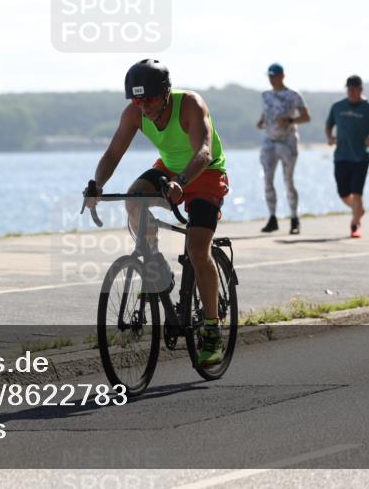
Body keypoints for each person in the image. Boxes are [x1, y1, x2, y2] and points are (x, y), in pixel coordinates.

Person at [86, 59, 230, 366]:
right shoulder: (135, 114)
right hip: (168, 169)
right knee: (133, 200)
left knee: (196, 249)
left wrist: (181, 182)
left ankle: (211, 329)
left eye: (149, 99)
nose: (144, 107)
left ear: (166, 93)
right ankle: (156, 266)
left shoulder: (190, 104)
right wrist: (96, 185)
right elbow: (113, 153)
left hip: (204, 173)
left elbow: (203, 152)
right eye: (137, 100)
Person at [325, 75, 369, 238]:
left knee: (357, 192)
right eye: (349, 89)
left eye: (354, 89)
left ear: (361, 90)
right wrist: (330, 137)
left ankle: (355, 225)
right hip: (341, 156)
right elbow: (328, 124)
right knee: (343, 193)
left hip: (361, 157)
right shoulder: (338, 107)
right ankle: (358, 210)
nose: (351, 92)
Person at [256, 63, 310, 234]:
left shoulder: (293, 95)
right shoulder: (266, 95)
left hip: (287, 142)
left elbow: (306, 117)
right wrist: (261, 120)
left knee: (288, 180)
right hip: (269, 141)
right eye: (270, 76)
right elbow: (267, 111)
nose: (272, 79)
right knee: (267, 179)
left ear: (282, 76)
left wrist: (289, 121)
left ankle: (294, 218)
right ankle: (272, 218)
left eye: (275, 76)